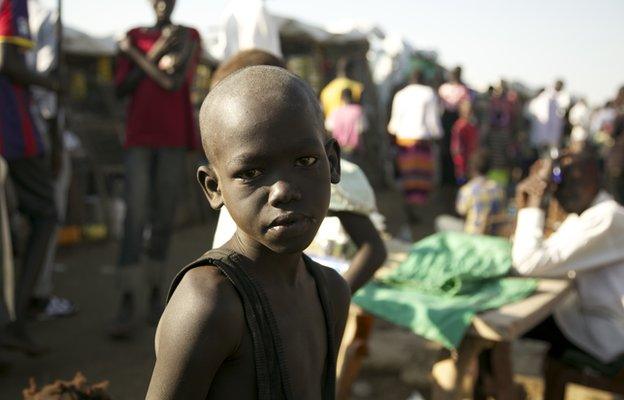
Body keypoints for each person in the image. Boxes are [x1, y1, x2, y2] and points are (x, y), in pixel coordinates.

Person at [146, 66, 351, 399]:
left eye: (305, 161)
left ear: (333, 162)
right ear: (214, 188)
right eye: (251, 172)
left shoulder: (331, 292)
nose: (283, 190)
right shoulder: (209, 302)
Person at [110, 0, 201, 338]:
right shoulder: (134, 35)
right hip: (138, 138)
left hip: (173, 137)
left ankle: (153, 296)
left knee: (162, 218)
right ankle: (127, 299)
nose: (163, 3)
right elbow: (121, 88)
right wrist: (154, 54)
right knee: (135, 217)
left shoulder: (188, 35)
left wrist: (137, 55)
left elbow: (172, 83)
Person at [513, 148, 624, 371]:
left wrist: (533, 205)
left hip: (608, 334)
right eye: (559, 182)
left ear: (595, 176)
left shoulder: (607, 218)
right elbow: (544, 254)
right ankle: (500, 384)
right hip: (584, 319)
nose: (563, 191)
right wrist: (531, 204)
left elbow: (528, 263)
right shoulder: (581, 216)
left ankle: (500, 388)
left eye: (574, 179)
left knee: (505, 322)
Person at [0, 0, 60, 355]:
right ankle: (15, 319)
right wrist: (52, 85)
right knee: (45, 214)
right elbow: (9, 62)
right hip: (11, 129)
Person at [387, 69, 442, 214]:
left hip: (403, 141)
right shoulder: (429, 94)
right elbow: (433, 122)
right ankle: (418, 210)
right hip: (422, 143)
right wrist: (438, 137)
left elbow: (393, 125)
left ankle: (409, 208)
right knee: (422, 179)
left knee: (408, 177)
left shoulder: (400, 94)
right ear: (423, 79)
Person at [438, 66, 470, 185]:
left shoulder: (462, 89)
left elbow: (465, 106)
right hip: (446, 119)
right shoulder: (445, 88)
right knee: (447, 149)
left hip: (455, 120)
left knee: (455, 149)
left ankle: (453, 178)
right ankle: (446, 178)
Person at [325, 88, 368, 166]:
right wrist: (363, 147)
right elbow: (360, 131)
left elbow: (329, 129)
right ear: (352, 97)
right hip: (353, 149)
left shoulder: (335, 111)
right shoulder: (358, 111)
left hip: (338, 148)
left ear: (341, 98)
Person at [450, 100, 479, 184]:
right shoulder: (459, 126)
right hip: (462, 161)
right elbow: (455, 147)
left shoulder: (471, 126)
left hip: (471, 159)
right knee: (462, 181)